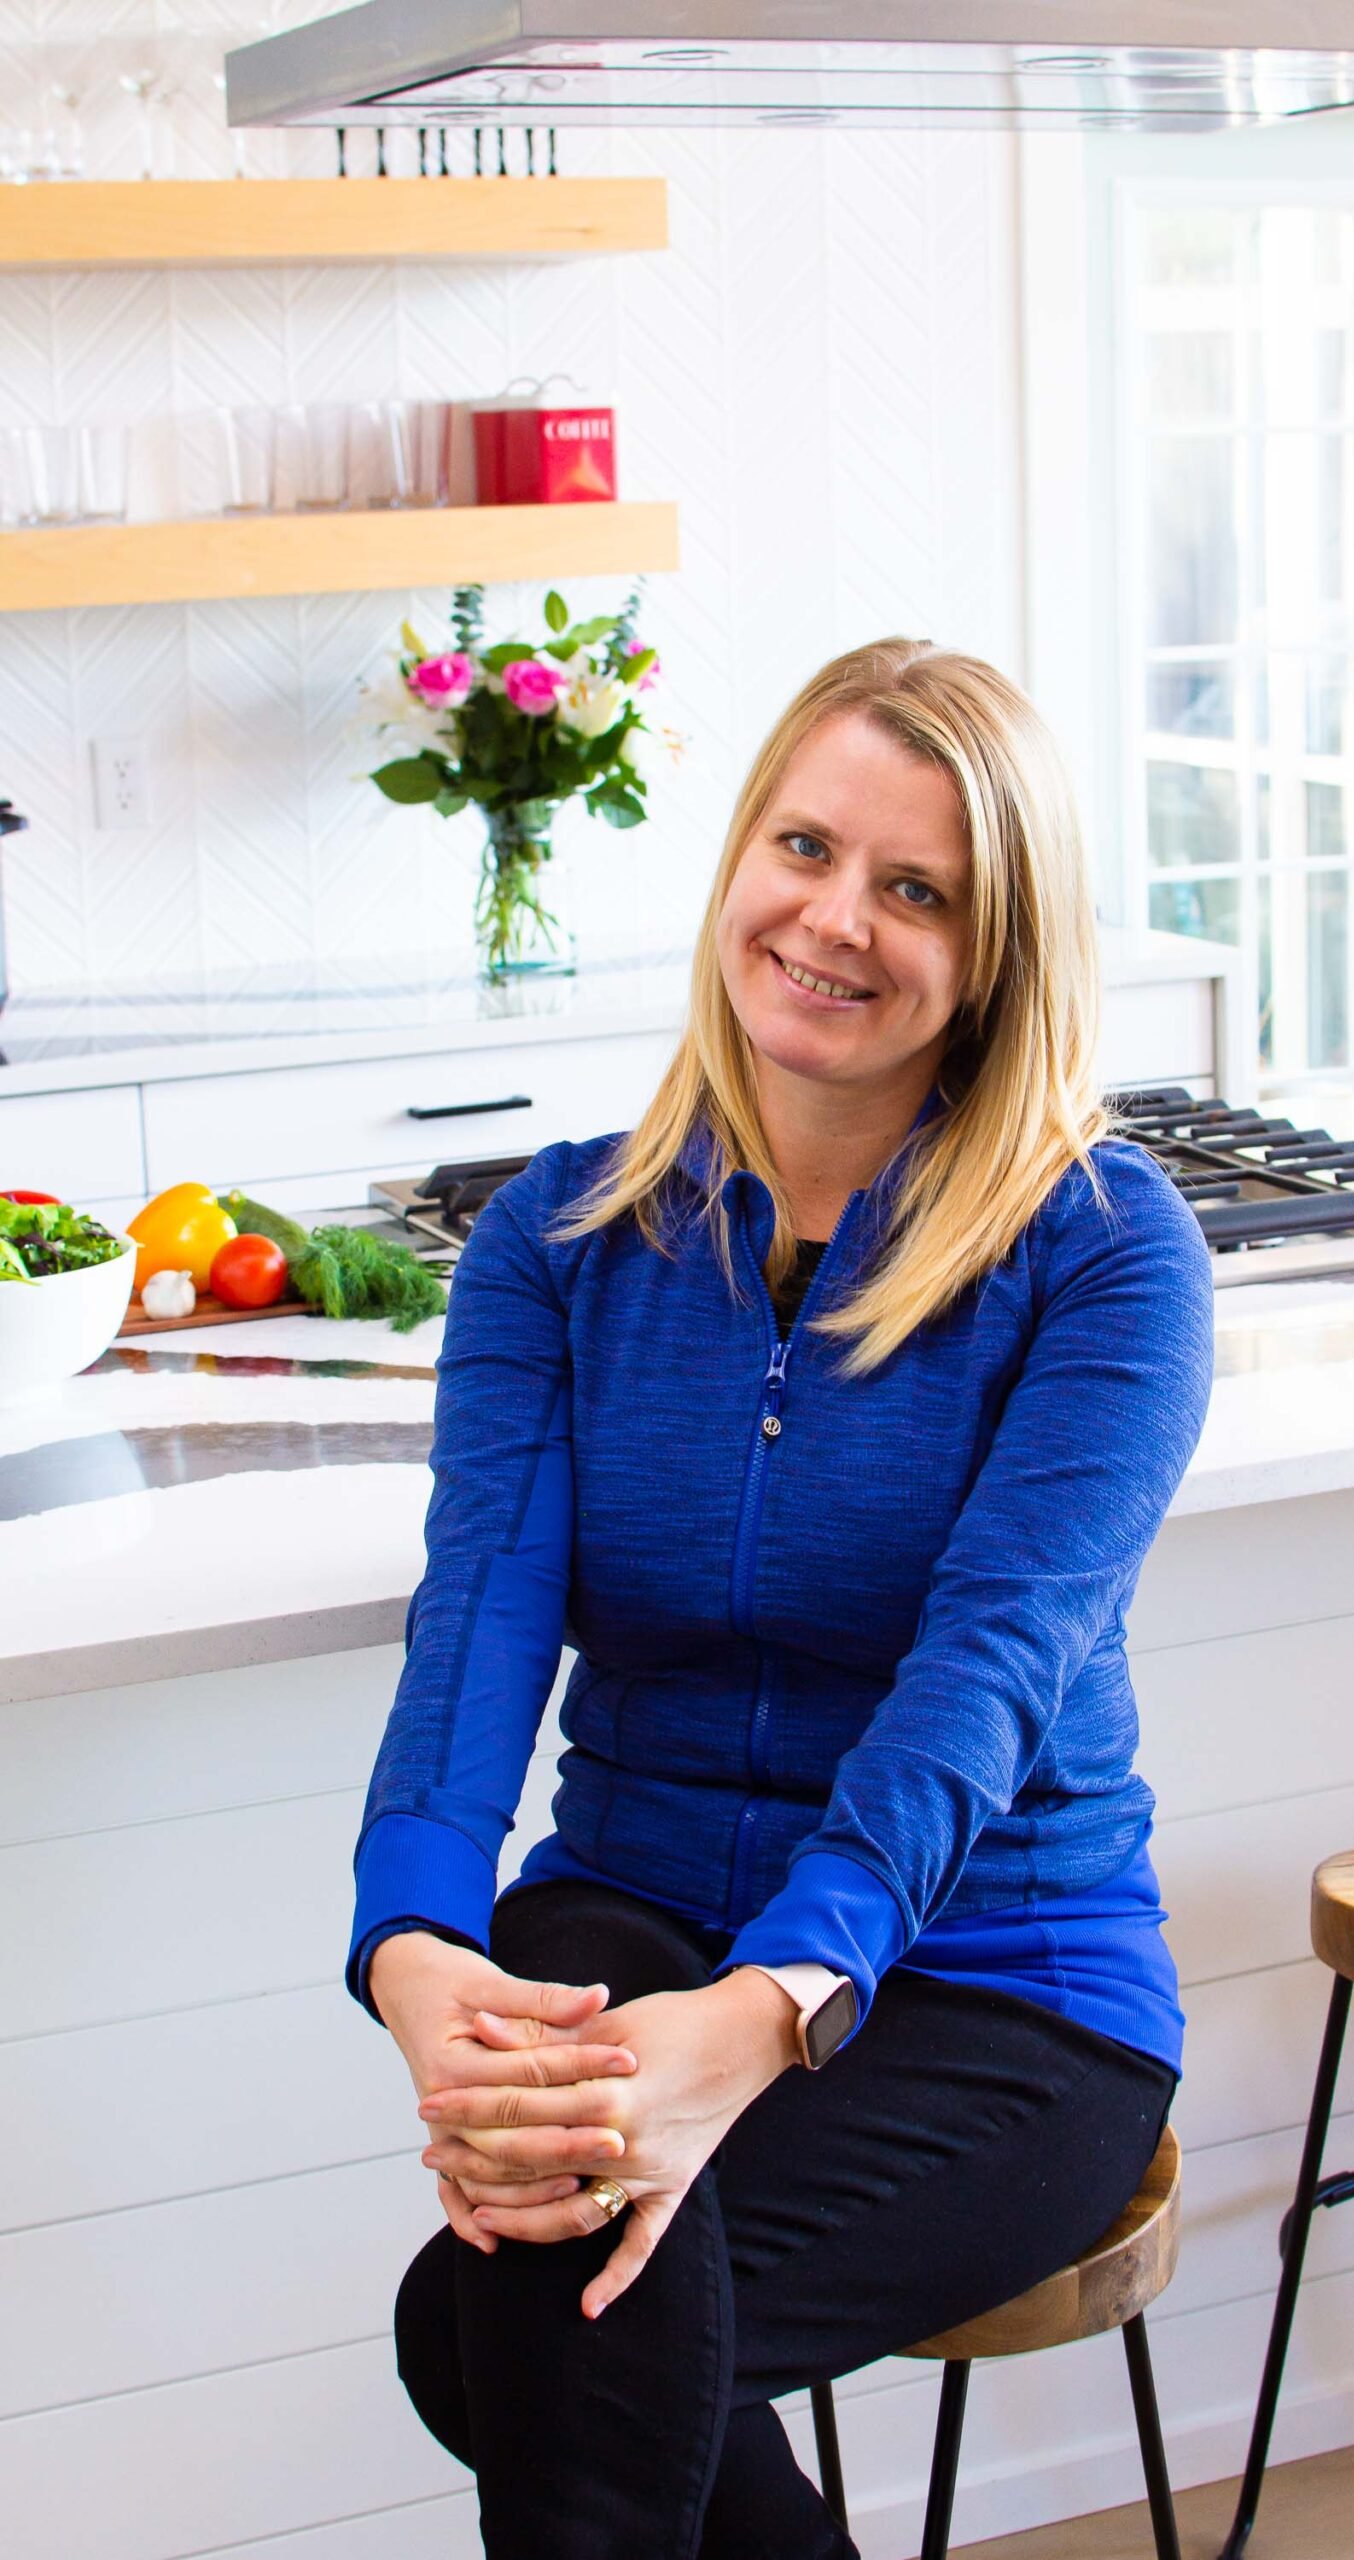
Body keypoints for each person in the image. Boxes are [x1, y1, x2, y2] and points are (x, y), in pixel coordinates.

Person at [355, 637, 1216, 2558]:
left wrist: (770, 2008)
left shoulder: (1102, 1254)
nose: (837, 921)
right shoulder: (557, 1242)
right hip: (624, 1911)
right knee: (556, 2307)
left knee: (505, 2325)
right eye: (806, 846)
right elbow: (475, 1627)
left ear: (996, 953)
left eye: (918, 889)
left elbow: (988, 1673)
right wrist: (415, 1954)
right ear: (737, 854)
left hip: (1000, 1978)